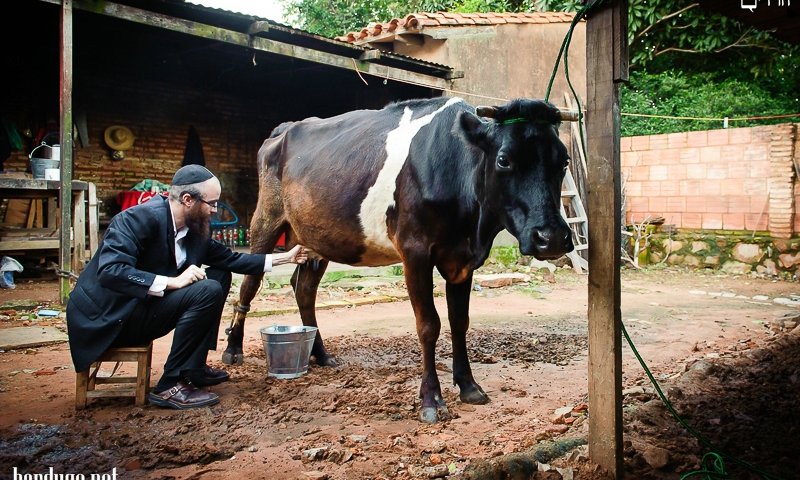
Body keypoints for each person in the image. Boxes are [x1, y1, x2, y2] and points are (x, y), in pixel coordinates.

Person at [66, 165, 308, 410]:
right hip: (110, 316)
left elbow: (232, 259)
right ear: (188, 199)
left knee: (220, 274)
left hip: (142, 307)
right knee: (207, 289)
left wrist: (287, 257)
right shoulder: (136, 219)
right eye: (211, 203)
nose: (215, 210)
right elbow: (111, 271)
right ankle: (169, 385)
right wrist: (173, 281)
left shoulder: (195, 229)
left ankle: (193, 368)